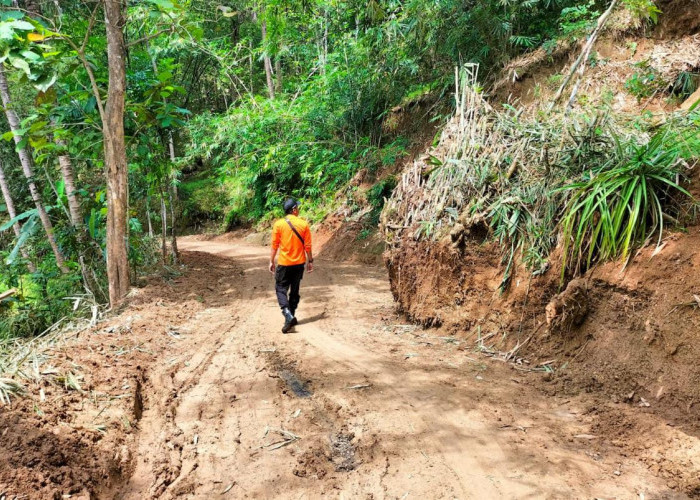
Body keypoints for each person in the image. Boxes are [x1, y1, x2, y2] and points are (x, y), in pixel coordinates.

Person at [269, 198, 314, 333]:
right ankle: (290, 316)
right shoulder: (303, 224)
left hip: (284, 263)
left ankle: (288, 315)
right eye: (297, 208)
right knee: (294, 290)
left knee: (281, 289)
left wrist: (271, 261)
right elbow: (308, 246)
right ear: (294, 209)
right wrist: (310, 261)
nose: (298, 210)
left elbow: (274, 245)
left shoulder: (278, 225)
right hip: (299, 264)